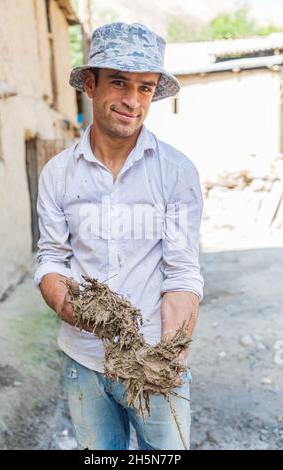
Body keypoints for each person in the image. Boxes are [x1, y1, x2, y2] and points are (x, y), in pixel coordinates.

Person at [34, 22, 204, 450]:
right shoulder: (58, 174)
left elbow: (182, 271)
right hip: (83, 359)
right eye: (119, 83)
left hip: (154, 358)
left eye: (145, 88)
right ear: (90, 85)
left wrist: (169, 353)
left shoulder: (176, 172)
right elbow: (51, 258)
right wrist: (69, 305)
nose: (132, 101)